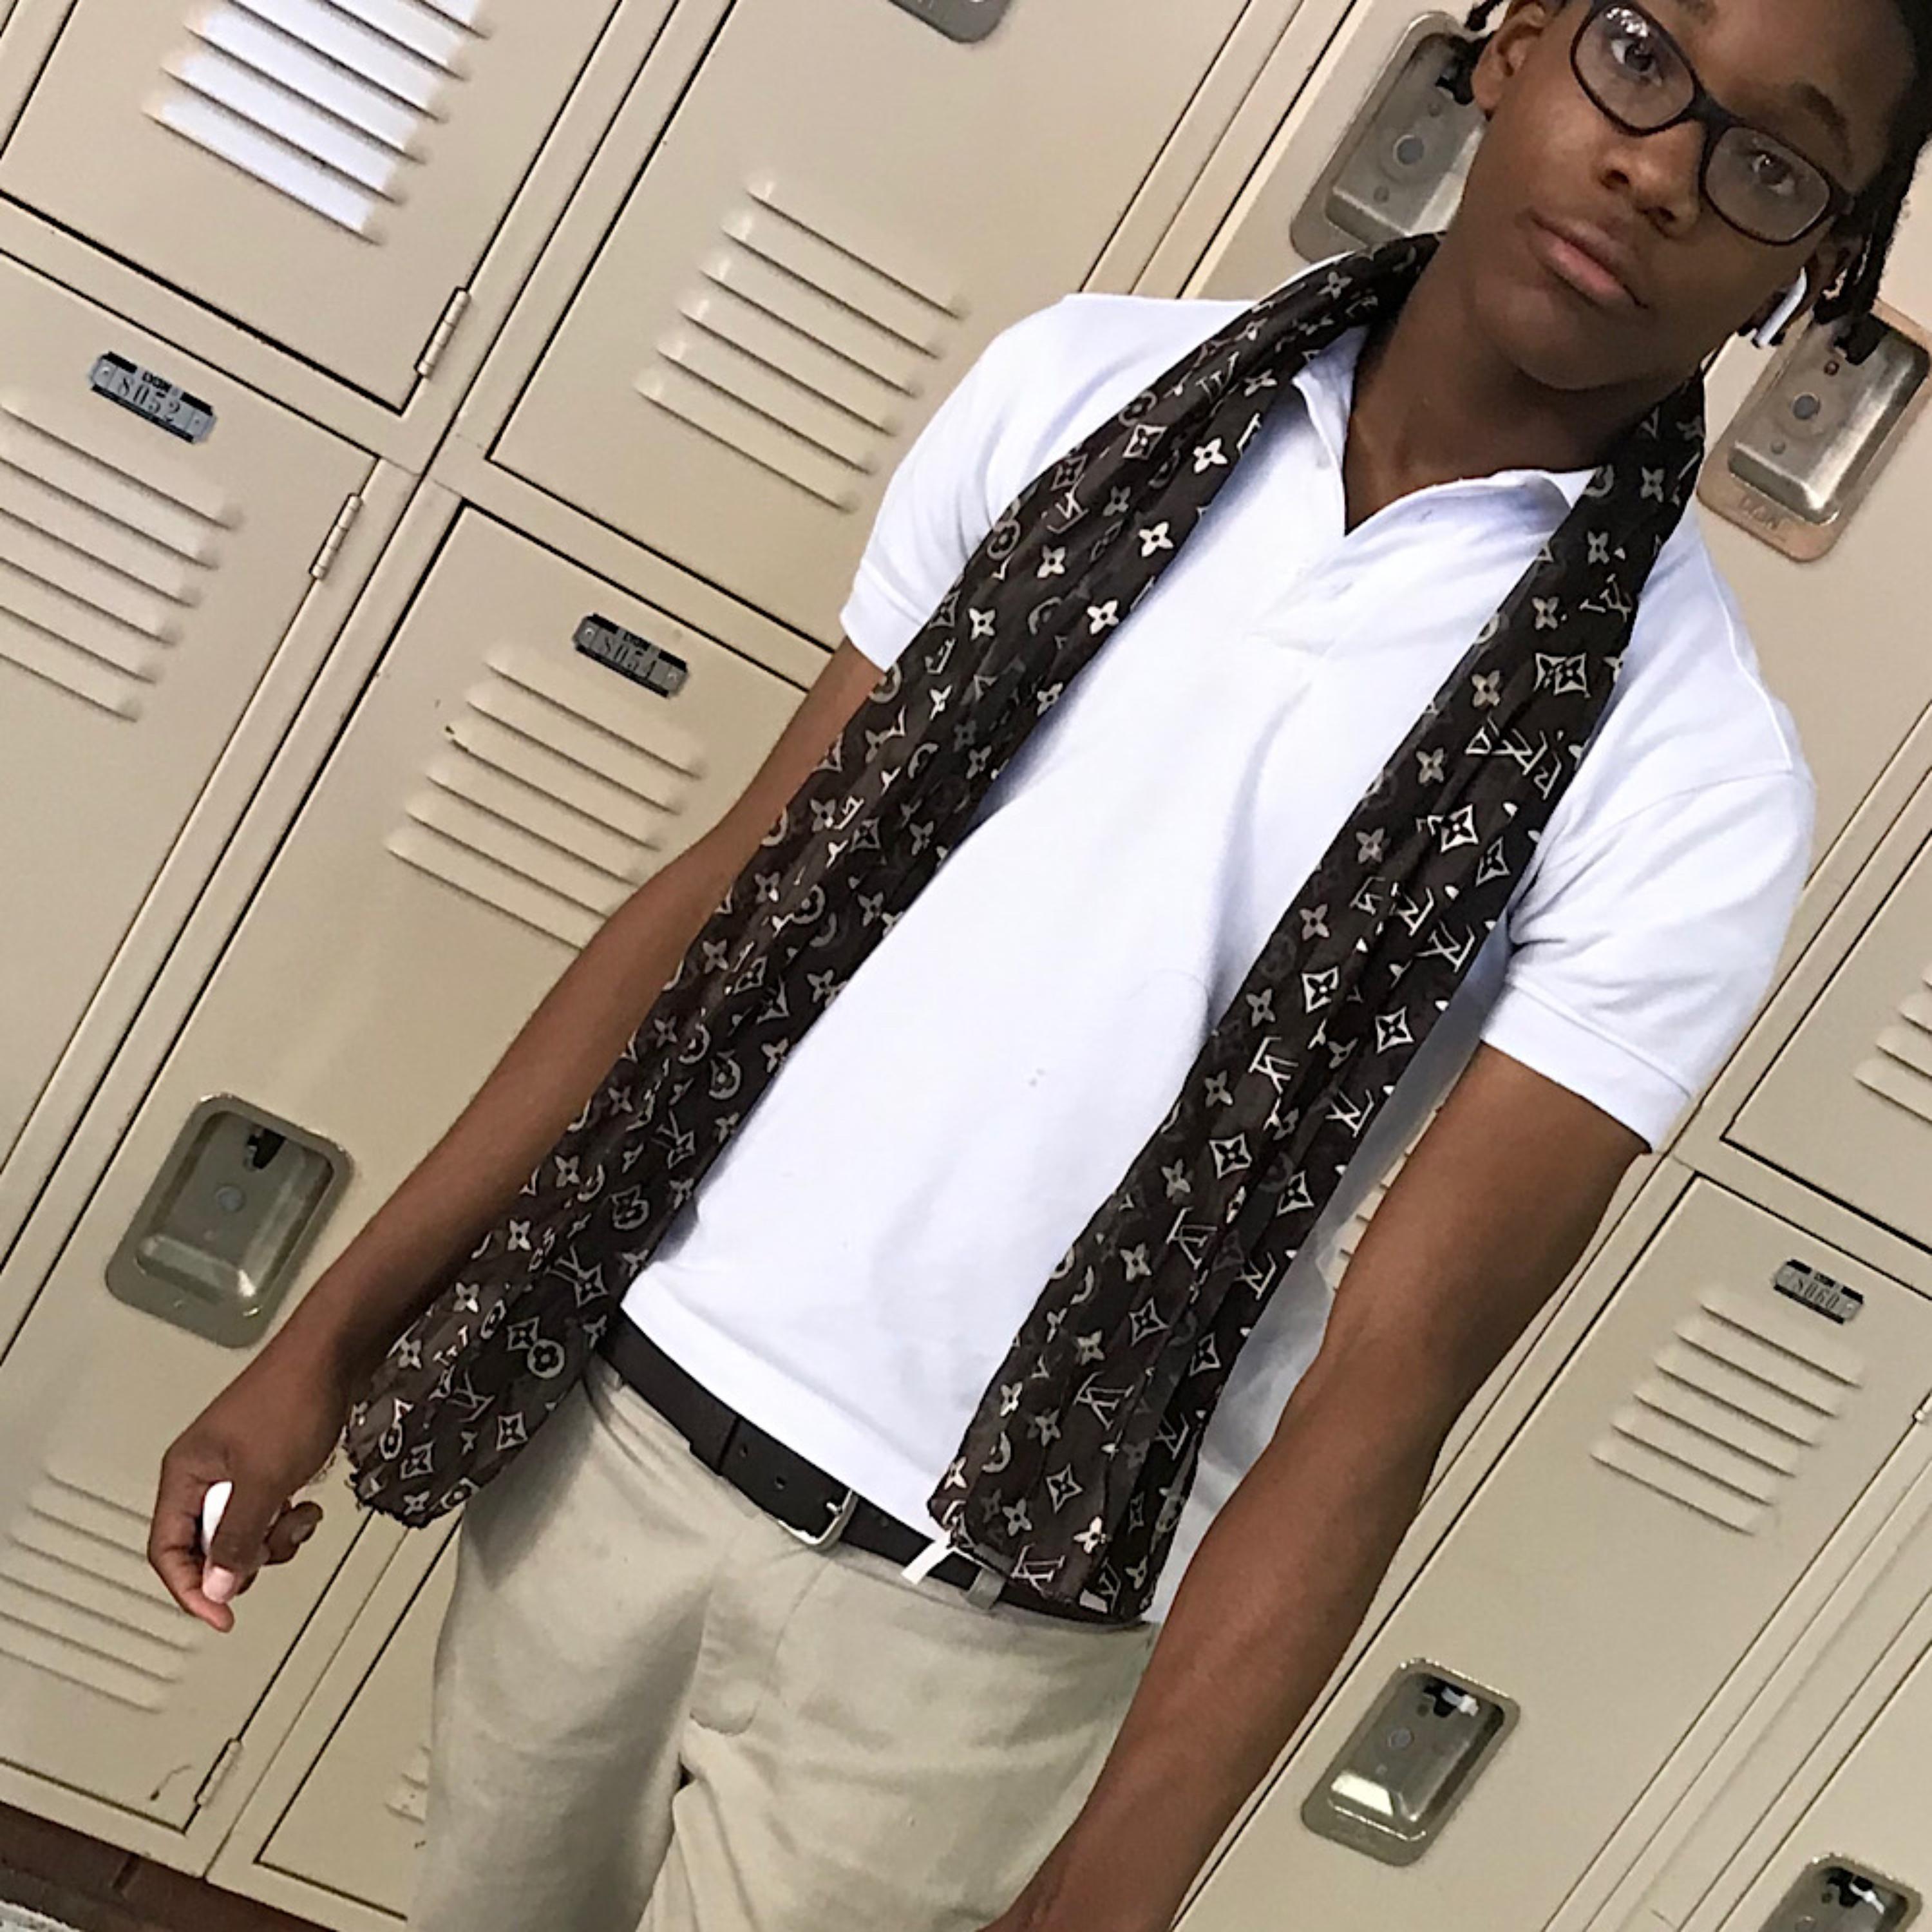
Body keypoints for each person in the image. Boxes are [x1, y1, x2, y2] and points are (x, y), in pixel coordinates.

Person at [147, 1, 1929, 1928]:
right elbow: (734, 887)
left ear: (1812, 267)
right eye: (1639, 53)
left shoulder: (1690, 768)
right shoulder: (1086, 385)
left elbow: (1393, 1373)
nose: (1660, 169)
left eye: (1770, 162)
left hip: (978, 1647)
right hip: (613, 1436)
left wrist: (1118, 1882)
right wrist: (324, 1342)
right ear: (1509, 45)